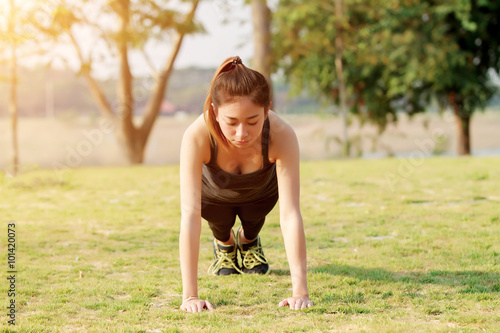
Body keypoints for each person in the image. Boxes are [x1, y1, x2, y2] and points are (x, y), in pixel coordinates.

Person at [179, 56, 312, 313]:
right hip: (213, 198)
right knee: (219, 221)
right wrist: (189, 297)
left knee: (253, 219)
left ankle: (248, 241)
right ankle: (226, 244)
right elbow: (190, 215)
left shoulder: (281, 134)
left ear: (267, 109)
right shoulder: (197, 135)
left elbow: (290, 213)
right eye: (231, 122)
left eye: (253, 121)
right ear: (215, 112)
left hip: (259, 194)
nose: (242, 133)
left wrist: (300, 291)